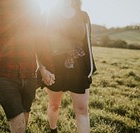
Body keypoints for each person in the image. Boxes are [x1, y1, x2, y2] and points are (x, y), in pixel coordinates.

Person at [0, 0, 49, 132]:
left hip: (29, 74)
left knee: (24, 121)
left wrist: (45, 68)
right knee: (18, 125)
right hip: (4, 75)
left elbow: (40, 39)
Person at [37, 0, 96, 133]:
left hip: (79, 68)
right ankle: (53, 130)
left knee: (82, 109)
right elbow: (41, 43)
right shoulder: (49, 14)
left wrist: (90, 69)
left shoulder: (83, 16)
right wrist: (43, 68)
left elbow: (87, 42)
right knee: (54, 105)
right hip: (55, 68)